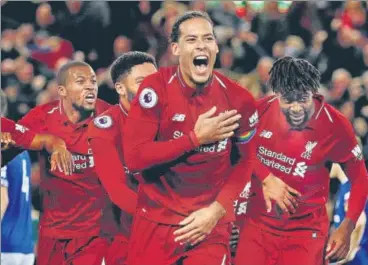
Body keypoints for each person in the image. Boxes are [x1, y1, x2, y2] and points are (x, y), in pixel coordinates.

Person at [123, 11, 299, 265]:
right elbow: (135, 158)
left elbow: (244, 161)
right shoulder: (155, 89)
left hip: (210, 225)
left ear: (215, 46)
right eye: (191, 39)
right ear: (175, 49)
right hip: (155, 221)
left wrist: (217, 211)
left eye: (208, 38)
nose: (201, 45)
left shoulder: (239, 101)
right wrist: (195, 139)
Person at [234, 56, 368, 265]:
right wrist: (266, 177)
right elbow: (236, 148)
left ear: (314, 92)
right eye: (288, 100)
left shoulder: (335, 126)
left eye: (303, 99)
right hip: (256, 228)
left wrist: (347, 226)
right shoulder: (258, 112)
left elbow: (359, 177)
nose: (296, 108)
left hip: (304, 235)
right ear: (276, 93)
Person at [17, 61, 111, 265]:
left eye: (93, 81)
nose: (90, 86)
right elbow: (13, 138)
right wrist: (47, 140)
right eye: (81, 81)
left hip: (94, 234)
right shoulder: (42, 117)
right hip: (52, 233)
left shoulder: (110, 117)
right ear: (62, 90)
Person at [87, 51, 158, 265]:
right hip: (124, 239)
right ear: (120, 88)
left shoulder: (172, 119)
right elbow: (118, 191)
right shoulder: (104, 129)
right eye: (141, 82)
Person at [331, 163, 368, 265]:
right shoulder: (346, 185)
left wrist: (348, 255)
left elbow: (360, 221)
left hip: (358, 258)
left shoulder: (352, 186)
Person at [1, 151, 34, 265]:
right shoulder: (24, 153)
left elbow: (2, 200)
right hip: (26, 244)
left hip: (5, 244)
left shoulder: (4, 153)